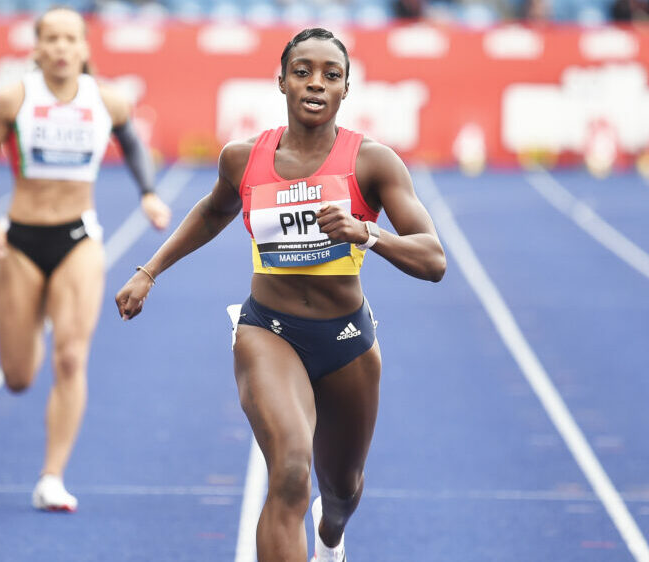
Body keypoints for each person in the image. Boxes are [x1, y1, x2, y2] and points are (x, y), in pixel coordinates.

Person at [115, 28, 446, 561]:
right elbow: (213, 212)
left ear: (345, 89)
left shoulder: (373, 162)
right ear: (282, 82)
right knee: (291, 470)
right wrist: (149, 271)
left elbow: (433, 260)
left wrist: (367, 232)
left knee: (342, 489)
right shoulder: (243, 159)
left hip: (346, 340)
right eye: (302, 71)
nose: (315, 83)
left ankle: (331, 536)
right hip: (268, 330)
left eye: (330, 75)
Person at [0, 6, 171, 512]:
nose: (61, 47)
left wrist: (148, 193)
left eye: (70, 38)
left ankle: (52, 477)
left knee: (72, 357)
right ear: (37, 48)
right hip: (21, 241)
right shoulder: (15, 98)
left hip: (79, 238)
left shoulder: (106, 99)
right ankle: (34, 316)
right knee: (17, 377)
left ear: (84, 48)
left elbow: (132, 143)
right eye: (51, 39)